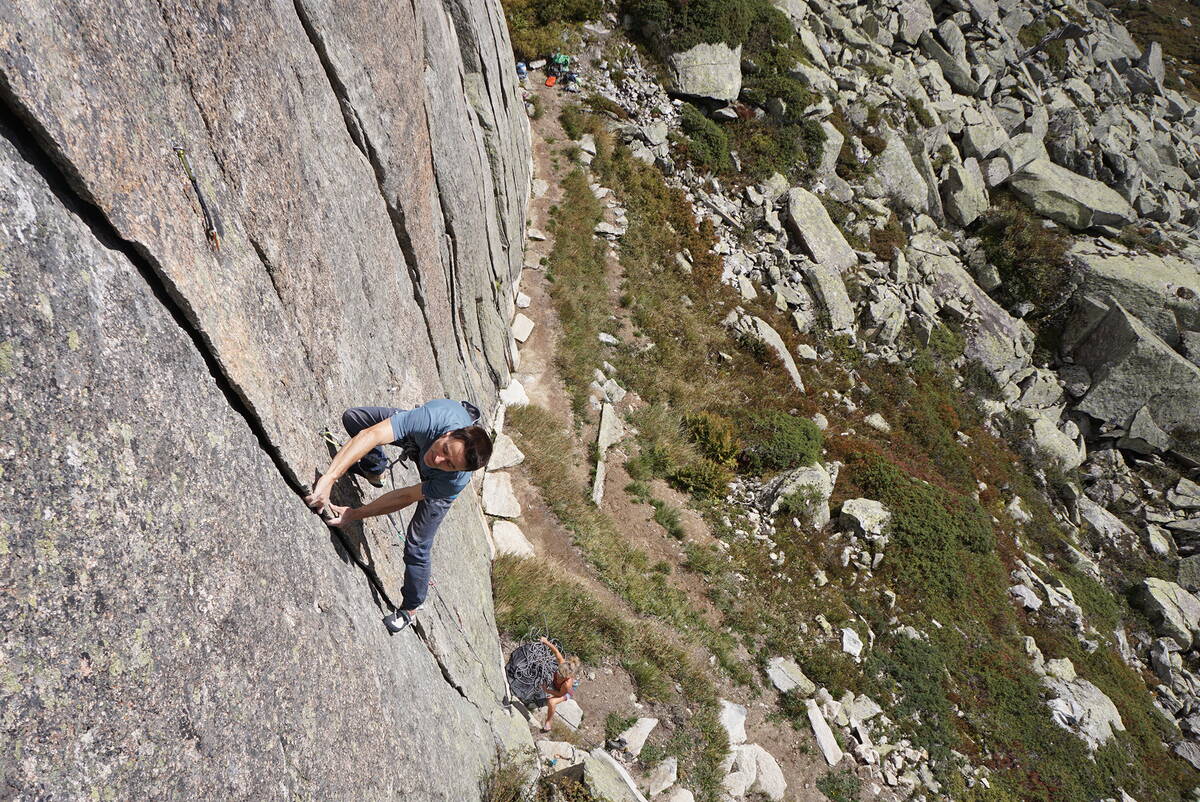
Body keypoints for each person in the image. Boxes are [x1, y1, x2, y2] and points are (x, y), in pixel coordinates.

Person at [305, 399, 493, 632]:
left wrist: (355, 513)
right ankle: (374, 470)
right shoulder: (432, 419)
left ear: (459, 471)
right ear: (449, 433)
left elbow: (405, 496)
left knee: (417, 545)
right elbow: (372, 434)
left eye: (450, 464)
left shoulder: (452, 481)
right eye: (445, 450)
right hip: (424, 437)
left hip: (435, 482)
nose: (438, 460)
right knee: (355, 418)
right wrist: (330, 477)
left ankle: (411, 608)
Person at [537, 637, 580, 732]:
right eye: (559, 672)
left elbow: (561, 694)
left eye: (561, 676)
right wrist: (546, 642)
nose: (558, 676)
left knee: (551, 702)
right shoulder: (563, 663)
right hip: (558, 686)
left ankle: (548, 721)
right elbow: (556, 652)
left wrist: (547, 690)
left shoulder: (567, 684)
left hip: (566, 692)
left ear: (567, 676)